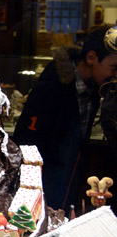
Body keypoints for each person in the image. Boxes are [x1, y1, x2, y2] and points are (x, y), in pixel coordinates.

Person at [13, 25, 117, 210]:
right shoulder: (53, 86)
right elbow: (28, 140)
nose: (115, 75)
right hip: (46, 181)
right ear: (91, 58)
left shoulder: (94, 86)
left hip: (70, 176)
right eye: (114, 68)